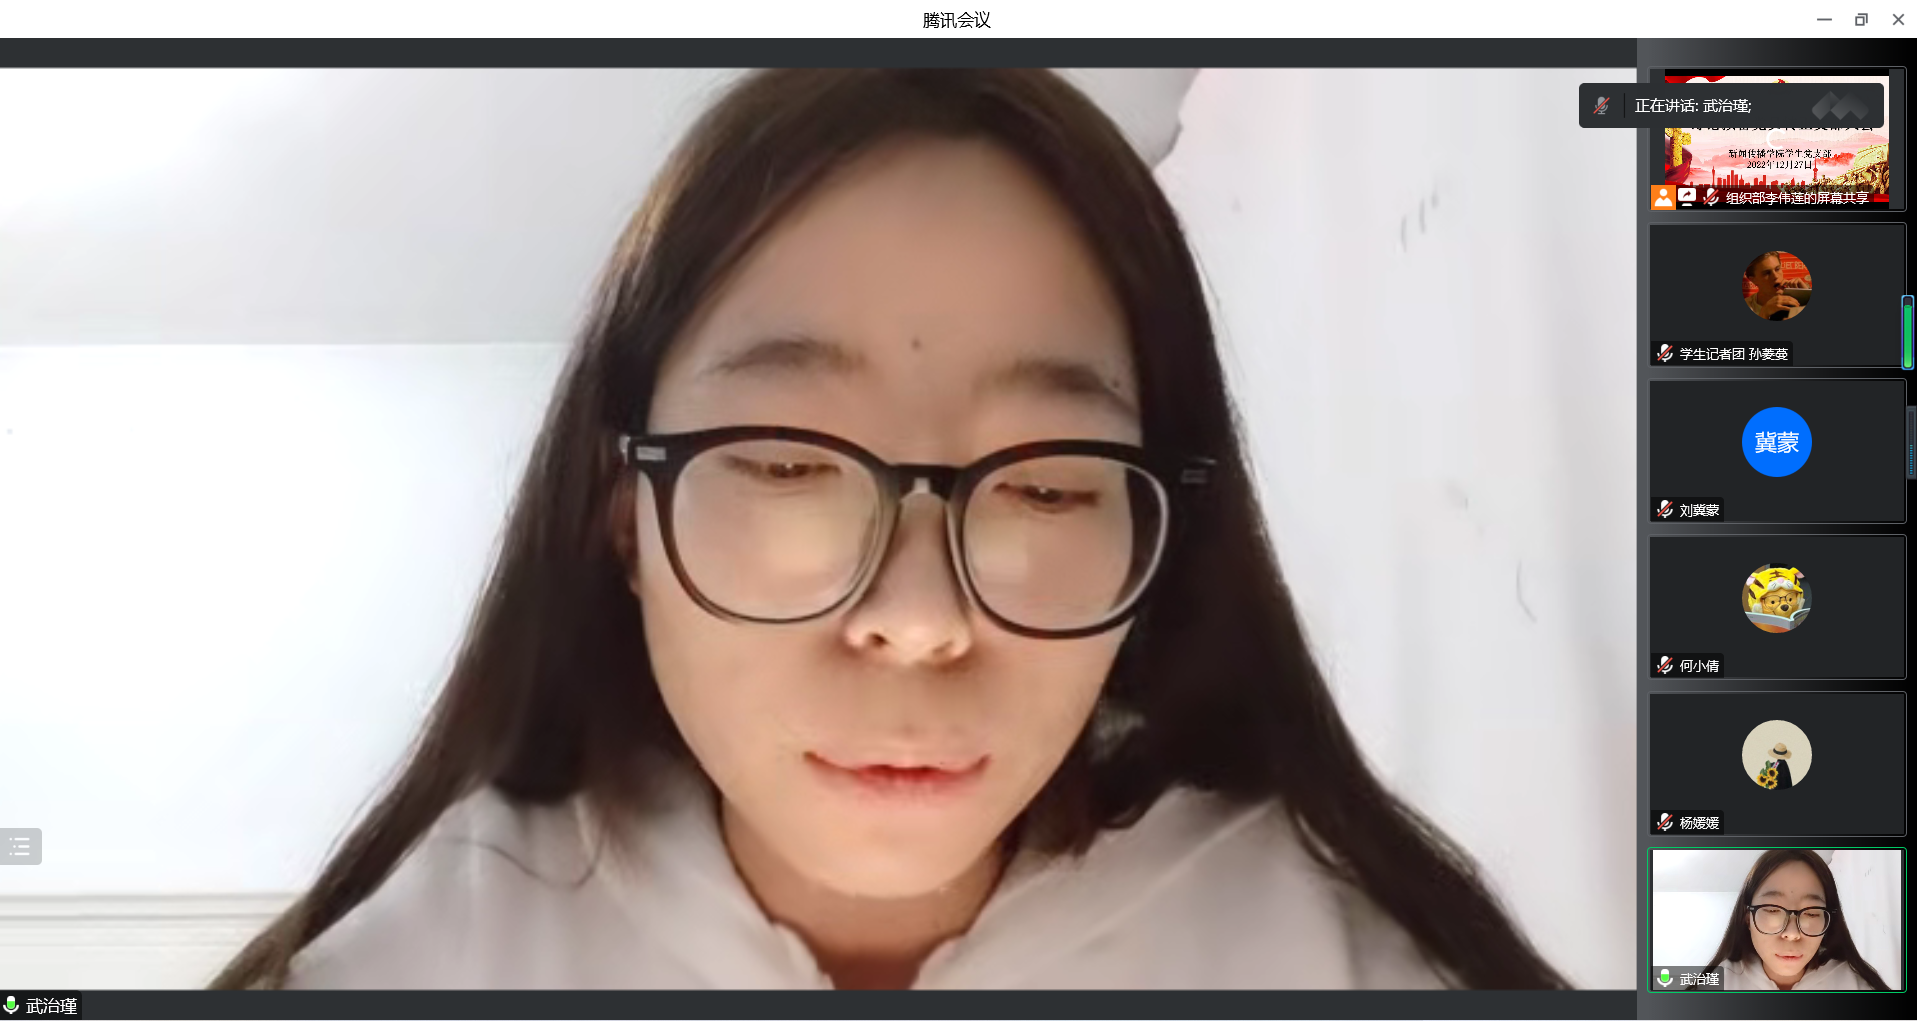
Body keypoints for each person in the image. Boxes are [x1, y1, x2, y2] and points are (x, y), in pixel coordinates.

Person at [210, 68, 1568, 991]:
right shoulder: (419, 962)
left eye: (1048, 486)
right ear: (624, 518)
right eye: (789, 464)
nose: (919, 621)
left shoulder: (1345, 957)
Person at [1704, 850, 1891, 990]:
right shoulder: (1717, 985)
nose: (1792, 934)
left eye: (1812, 913)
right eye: (1772, 910)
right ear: (1747, 918)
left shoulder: (1856, 985)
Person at [1744, 251, 1806, 321]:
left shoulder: (1796, 300)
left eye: (1777, 269)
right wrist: (1764, 313)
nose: (1775, 276)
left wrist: (1806, 297)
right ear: (1754, 280)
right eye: (1767, 273)